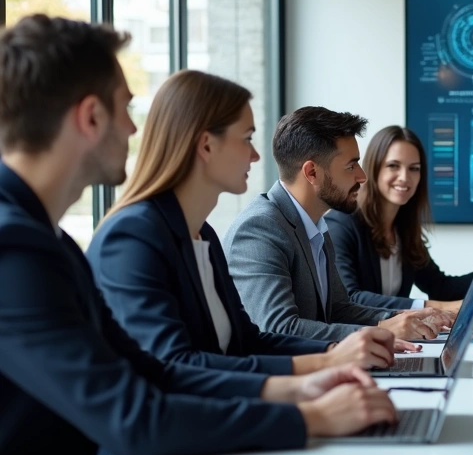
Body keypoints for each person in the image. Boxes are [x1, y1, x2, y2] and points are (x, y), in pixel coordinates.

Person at [0, 15, 396, 455]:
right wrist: (311, 417)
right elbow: (134, 415)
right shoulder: (17, 249)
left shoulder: (46, 239)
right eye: (125, 109)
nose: (132, 128)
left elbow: (151, 370)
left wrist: (301, 385)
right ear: (89, 117)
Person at [88, 70, 413, 377]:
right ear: (206, 145)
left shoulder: (204, 236)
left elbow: (247, 341)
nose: (256, 156)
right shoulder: (134, 236)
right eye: (246, 138)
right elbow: (178, 368)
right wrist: (312, 399)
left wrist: (333, 357)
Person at [223, 106, 454, 343]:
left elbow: (337, 309)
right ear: (312, 172)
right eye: (351, 166)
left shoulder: (315, 226)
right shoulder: (260, 229)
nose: (362, 176)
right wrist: (384, 330)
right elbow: (279, 328)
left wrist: (399, 318)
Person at [329, 125, 473, 312]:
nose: (405, 177)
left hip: (395, 342)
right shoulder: (342, 224)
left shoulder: (403, 229)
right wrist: (434, 308)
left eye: (414, 169)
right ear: (374, 170)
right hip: (355, 345)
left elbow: (440, 287)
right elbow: (350, 298)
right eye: (393, 166)